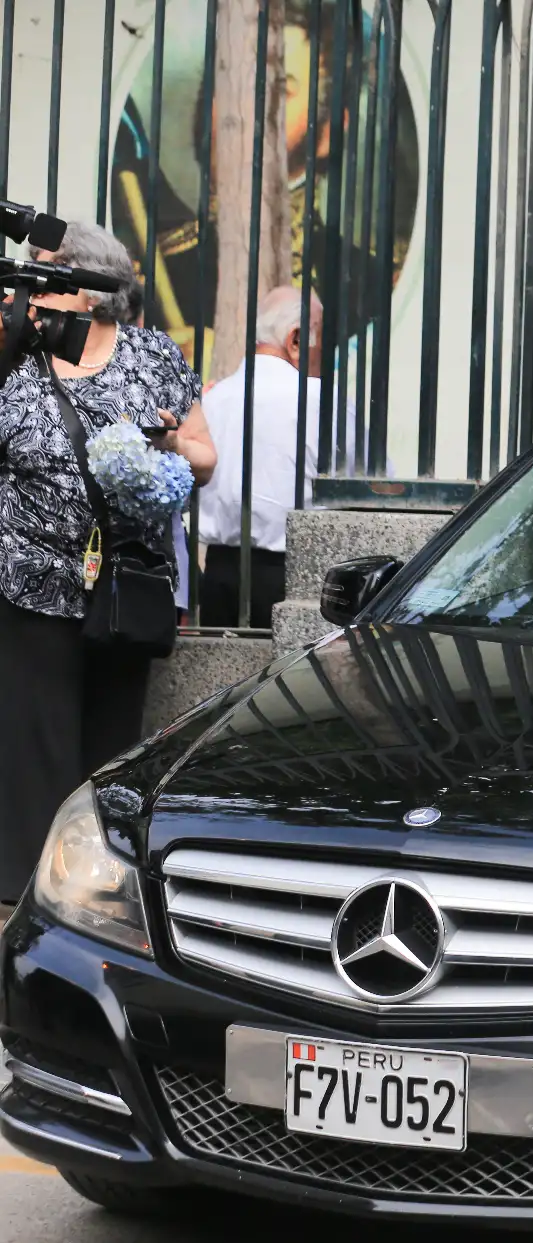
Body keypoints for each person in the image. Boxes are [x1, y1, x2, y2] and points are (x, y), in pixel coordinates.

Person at [0, 220, 215, 903]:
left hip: (124, 582)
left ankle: (99, 887)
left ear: (89, 288)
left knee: (111, 745)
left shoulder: (152, 356)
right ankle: (26, 888)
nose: (32, 292)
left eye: (46, 277)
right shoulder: (14, 354)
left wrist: (173, 447)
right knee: (34, 741)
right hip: (29, 582)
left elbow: (206, 458)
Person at [198, 287, 330, 628]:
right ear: (296, 339)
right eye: (321, 339)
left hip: (219, 575)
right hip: (295, 575)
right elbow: (367, 487)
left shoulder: (214, 400)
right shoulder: (319, 401)